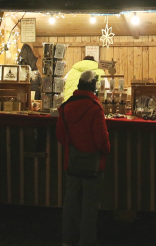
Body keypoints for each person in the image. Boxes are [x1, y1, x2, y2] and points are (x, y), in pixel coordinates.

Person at [56, 70, 110, 246]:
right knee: (89, 205)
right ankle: (86, 241)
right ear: (93, 87)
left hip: (72, 162)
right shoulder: (95, 108)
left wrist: (73, 148)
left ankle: (67, 239)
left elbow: (60, 135)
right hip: (93, 164)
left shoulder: (65, 107)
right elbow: (101, 140)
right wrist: (105, 151)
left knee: (70, 203)